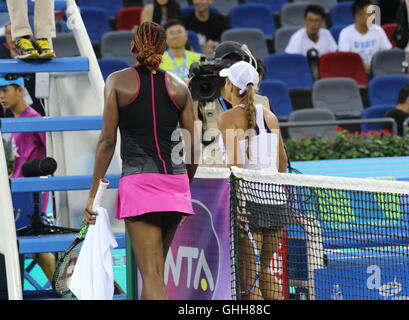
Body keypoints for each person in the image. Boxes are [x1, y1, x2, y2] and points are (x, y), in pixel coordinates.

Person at [83, 22, 198, 300]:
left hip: (141, 186)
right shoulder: (180, 87)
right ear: (163, 48)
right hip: (176, 185)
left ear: (134, 47)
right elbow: (193, 147)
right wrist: (185, 190)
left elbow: (108, 141)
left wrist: (93, 197)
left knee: (153, 276)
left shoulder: (117, 82)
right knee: (154, 274)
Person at [216, 61, 288, 300]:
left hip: (249, 205)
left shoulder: (227, 118)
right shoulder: (270, 116)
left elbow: (235, 167)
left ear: (229, 86)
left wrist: (235, 204)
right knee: (265, 271)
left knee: (249, 277)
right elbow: (282, 162)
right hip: (277, 203)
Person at [0, 76, 55, 283]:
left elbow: (51, 153)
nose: (1, 96)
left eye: (5, 90)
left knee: (36, 249)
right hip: (16, 193)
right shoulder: (12, 121)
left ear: (20, 90)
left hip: (31, 195)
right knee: (31, 250)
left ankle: (68, 290)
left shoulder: (32, 118)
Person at [194, 41, 272, 167]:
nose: (233, 68)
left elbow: (277, 149)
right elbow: (192, 138)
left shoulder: (262, 102)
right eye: (227, 64)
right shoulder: (201, 101)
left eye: (237, 63)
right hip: (215, 175)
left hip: (255, 176)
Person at [338, 0, 392, 72]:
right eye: (370, 14)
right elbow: (345, 60)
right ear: (358, 16)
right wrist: (363, 66)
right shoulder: (345, 33)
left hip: (378, 70)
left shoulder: (378, 30)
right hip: (355, 72)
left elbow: (388, 54)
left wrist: (374, 67)